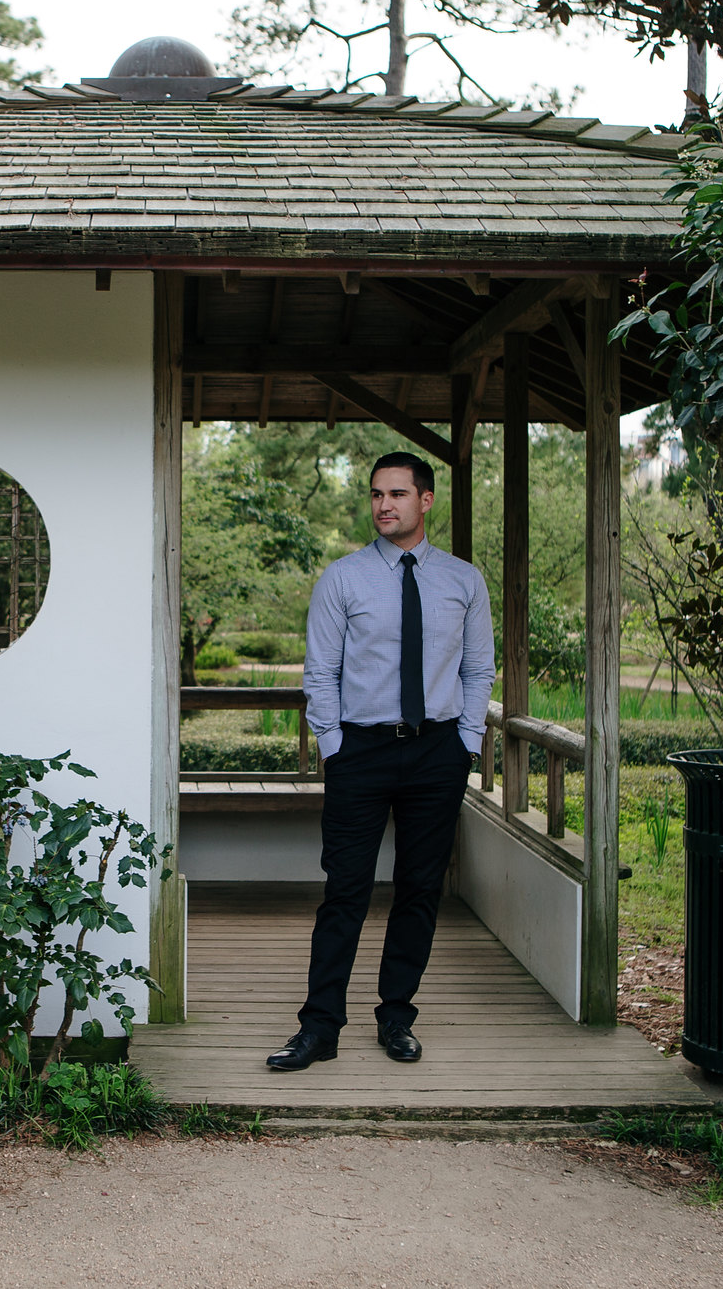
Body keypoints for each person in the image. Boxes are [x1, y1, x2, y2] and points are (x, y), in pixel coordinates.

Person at [269, 452, 496, 1072]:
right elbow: (321, 675)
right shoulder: (342, 579)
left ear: (426, 500)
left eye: (397, 494)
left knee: (420, 890)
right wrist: (336, 748)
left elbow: (478, 672)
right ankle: (320, 1027)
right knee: (344, 891)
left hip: (437, 751)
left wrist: (465, 744)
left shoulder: (463, 582)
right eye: (376, 494)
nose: (384, 505)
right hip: (361, 752)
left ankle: (396, 1016)